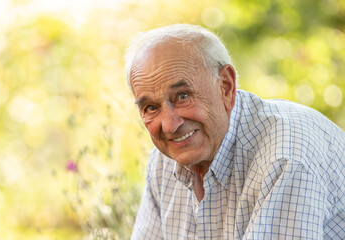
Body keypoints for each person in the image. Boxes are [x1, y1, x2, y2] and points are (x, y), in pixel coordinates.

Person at [125, 24, 345, 239]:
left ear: (226, 87)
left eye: (183, 96)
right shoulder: (164, 162)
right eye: (151, 108)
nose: (170, 125)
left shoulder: (284, 158)